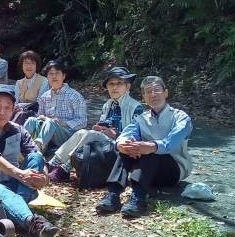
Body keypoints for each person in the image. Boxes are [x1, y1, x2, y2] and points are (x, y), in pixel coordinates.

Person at [0, 84, 59, 237]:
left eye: (7, 107)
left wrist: (44, 178)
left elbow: (36, 154)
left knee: (35, 158)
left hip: (14, 186)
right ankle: (33, 223)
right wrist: (20, 174)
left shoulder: (19, 130)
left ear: (13, 110)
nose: (2, 112)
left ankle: (14, 209)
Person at [96, 76, 193, 217]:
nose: (153, 94)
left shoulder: (181, 117)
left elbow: (170, 144)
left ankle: (138, 198)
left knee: (150, 151)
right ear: (144, 97)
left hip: (174, 170)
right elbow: (127, 134)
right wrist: (122, 144)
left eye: (157, 90)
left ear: (166, 93)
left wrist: (150, 146)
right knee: (126, 149)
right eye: (148, 92)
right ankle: (113, 194)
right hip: (148, 171)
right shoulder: (141, 119)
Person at [45, 67, 144, 182]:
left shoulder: (136, 107)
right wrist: (99, 128)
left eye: (119, 83)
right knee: (82, 132)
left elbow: (137, 135)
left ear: (128, 86)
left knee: (91, 134)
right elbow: (103, 124)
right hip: (103, 145)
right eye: (111, 84)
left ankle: (65, 168)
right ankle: (53, 163)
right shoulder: (108, 104)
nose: (114, 87)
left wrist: (117, 134)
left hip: (119, 148)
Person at [23, 60, 87, 154]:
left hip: (67, 134)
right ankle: (20, 145)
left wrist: (63, 123)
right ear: (47, 77)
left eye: (57, 73)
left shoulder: (75, 96)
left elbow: (83, 121)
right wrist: (41, 117)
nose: (54, 76)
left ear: (63, 76)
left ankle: (37, 148)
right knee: (31, 120)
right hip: (47, 132)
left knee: (50, 122)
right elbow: (40, 116)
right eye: (51, 74)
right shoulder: (44, 96)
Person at [12, 50, 49, 124]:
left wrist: (19, 106)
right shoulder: (19, 82)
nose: (29, 66)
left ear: (36, 66)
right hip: (19, 112)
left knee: (21, 115)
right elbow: (15, 101)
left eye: (32, 63)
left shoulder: (44, 81)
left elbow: (39, 102)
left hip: (36, 113)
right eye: (26, 63)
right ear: (22, 65)